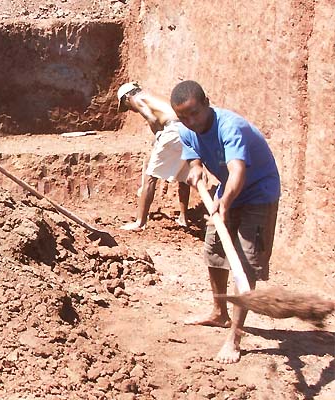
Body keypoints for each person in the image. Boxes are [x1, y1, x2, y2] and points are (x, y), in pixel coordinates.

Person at [171, 80, 280, 364]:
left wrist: (225, 204)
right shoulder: (185, 129)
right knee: (215, 252)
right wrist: (195, 170)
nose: (191, 121)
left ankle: (235, 336)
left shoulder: (229, 127)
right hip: (227, 191)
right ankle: (220, 313)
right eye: (183, 116)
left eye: (195, 113)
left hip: (258, 192)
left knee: (244, 264)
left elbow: (237, 171)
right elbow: (194, 158)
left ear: (207, 101)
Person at [116, 82, 191, 231]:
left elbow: (152, 119)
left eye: (126, 105)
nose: (130, 109)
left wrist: (158, 136)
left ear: (127, 97)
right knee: (184, 177)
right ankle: (183, 218)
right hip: (187, 128)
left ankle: (140, 223)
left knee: (150, 177)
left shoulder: (137, 98)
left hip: (173, 130)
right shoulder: (151, 94)